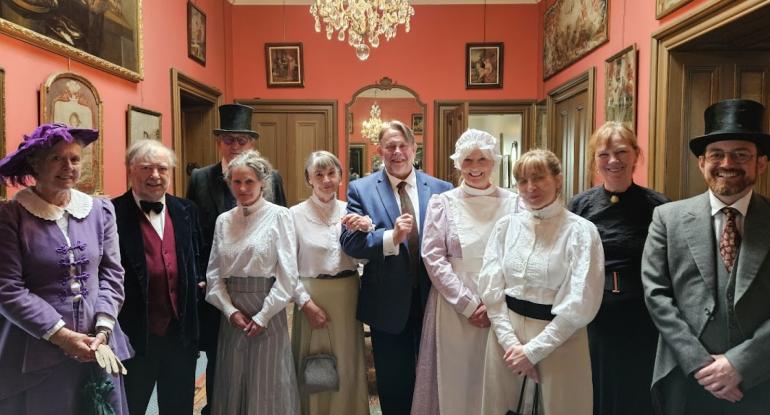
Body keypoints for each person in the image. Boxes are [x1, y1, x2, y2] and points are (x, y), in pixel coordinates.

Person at [641, 99, 770, 415]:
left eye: (741, 153)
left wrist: (740, 363)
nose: (728, 162)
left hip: (761, 380)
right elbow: (656, 296)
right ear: (701, 163)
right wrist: (701, 365)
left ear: (761, 164)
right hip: (687, 379)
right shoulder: (666, 218)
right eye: (716, 154)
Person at [0, 123, 132, 414]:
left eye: (74, 159)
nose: (68, 167)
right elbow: (7, 289)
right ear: (35, 163)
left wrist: (103, 328)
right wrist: (64, 337)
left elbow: (112, 273)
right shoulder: (12, 215)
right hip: (37, 349)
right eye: (56, 158)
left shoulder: (100, 210)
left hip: (98, 345)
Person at [479, 148, 604, 415]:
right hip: (505, 340)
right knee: (501, 408)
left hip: (560, 340)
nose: (530, 187)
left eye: (538, 178)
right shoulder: (505, 227)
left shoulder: (581, 232)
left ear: (558, 179)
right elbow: (492, 291)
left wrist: (533, 352)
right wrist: (512, 344)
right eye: (522, 181)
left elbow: (582, 302)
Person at [340, 120, 452, 414]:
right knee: (393, 382)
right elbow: (351, 244)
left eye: (403, 146)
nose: (397, 152)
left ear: (415, 149)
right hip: (387, 304)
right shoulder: (361, 190)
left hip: (435, 300)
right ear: (380, 150)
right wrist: (391, 237)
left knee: (436, 377)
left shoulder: (442, 189)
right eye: (390, 146)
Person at [186, 103, 286, 414]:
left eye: (241, 140)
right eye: (228, 139)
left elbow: (283, 235)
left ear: (252, 143)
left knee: (265, 365)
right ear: (219, 142)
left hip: (263, 288)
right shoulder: (201, 178)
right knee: (221, 358)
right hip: (216, 287)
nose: (234, 146)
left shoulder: (273, 178)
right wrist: (202, 276)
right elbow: (193, 232)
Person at [411, 129, 520, 415]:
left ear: (493, 162)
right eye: (468, 160)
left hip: (502, 308)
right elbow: (432, 257)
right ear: (458, 163)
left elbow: (519, 254)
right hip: (453, 307)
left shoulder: (514, 203)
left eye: (481, 159)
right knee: (456, 382)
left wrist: (495, 304)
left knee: (497, 382)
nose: (475, 167)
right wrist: (469, 305)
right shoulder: (442, 203)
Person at [568, 122, 669, 415]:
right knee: (596, 390)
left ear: (636, 155)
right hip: (594, 317)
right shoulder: (580, 206)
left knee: (637, 393)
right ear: (594, 160)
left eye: (621, 152)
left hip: (642, 318)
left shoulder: (658, 206)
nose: (613, 161)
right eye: (604, 154)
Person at [205, 150, 300, 415]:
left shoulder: (280, 216)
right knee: (232, 382)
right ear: (229, 183)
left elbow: (288, 275)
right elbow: (213, 276)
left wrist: (264, 315)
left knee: (267, 383)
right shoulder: (223, 220)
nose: (243, 188)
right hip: (232, 314)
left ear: (262, 183)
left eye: (249, 181)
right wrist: (230, 310)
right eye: (237, 182)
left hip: (268, 310)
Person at [113, 139, 203, 415]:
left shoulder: (186, 210)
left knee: (178, 407)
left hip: (180, 335)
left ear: (171, 172)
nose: (155, 175)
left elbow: (198, 256)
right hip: (134, 336)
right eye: (146, 168)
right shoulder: (111, 213)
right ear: (130, 170)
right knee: (131, 406)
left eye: (162, 168)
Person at [290, 151, 371, 415]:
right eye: (319, 174)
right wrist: (306, 304)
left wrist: (366, 230)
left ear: (340, 177)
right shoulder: (294, 215)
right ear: (309, 179)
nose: (326, 180)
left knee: (347, 360)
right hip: (311, 297)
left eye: (331, 173)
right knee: (312, 360)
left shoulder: (353, 211)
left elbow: (363, 260)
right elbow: (287, 267)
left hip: (347, 294)